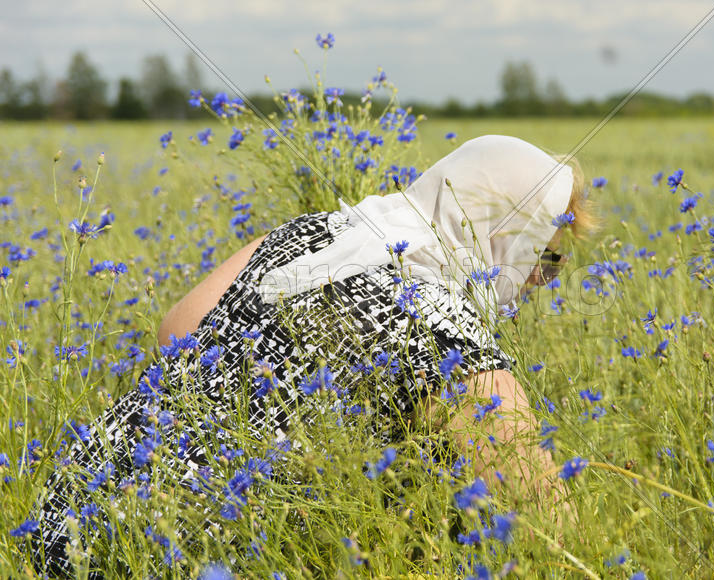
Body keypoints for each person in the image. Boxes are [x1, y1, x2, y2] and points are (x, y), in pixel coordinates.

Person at [31, 135, 589, 576]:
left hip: (69, 516)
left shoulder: (316, 233)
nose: (543, 279)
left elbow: (176, 330)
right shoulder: (443, 329)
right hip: (176, 557)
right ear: (504, 238)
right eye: (547, 255)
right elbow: (551, 522)